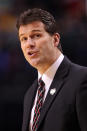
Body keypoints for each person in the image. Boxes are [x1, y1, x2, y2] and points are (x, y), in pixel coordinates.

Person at [16, 8, 87, 131]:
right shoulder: (30, 94)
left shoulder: (82, 79)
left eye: (36, 35)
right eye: (24, 38)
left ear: (55, 39)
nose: (29, 44)